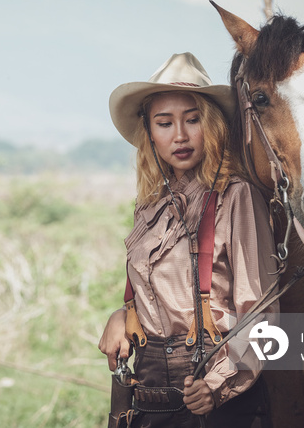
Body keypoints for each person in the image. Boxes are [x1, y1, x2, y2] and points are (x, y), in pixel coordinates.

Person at [98, 52, 279, 427]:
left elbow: (261, 316)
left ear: (211, 125)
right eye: (164, 123)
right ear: (149, 132)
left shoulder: (236, 196)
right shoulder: (149, 204)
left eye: (192, 120)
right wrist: (123, 314)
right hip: (150, 399)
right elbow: (155, 295)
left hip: (220, 400)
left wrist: (217, 384)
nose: (179, 135)